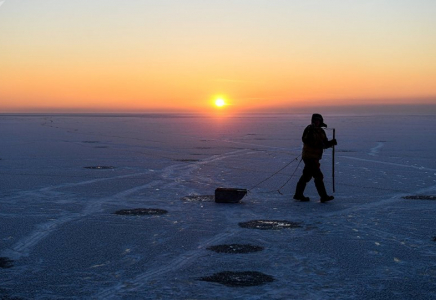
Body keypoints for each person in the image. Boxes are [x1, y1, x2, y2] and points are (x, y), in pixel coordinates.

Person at [293, 113, 337, 203]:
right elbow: (305, 140)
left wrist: (331, 143)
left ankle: (298, 194)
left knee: (306, 176)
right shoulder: (309, 129)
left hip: (315, 157)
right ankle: (323, 196)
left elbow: (324, 144)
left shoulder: (321, 131)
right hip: (309, 157)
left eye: (318, 120)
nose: (317, 122)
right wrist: (316, 141)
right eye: (315, 120)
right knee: (318, 176)